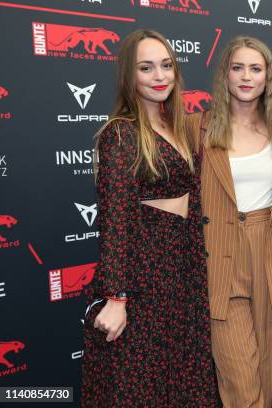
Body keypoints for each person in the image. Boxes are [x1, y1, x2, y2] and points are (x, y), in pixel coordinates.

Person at [82, 29, 216, 407]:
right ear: (130, 75)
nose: (160, 76)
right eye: (146, 67)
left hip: (183, 272)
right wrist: (116, 296)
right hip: (143, 279)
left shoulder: (179, 126)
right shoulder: (120, 134)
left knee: (182, 383)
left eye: (166, 65)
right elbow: (114, 220)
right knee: (138, 387)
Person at [199, 36, 272, 408]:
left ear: (267, 77)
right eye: (237, 67)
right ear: (224, 75)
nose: (246, 76)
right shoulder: (198, 128)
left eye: (255, 68)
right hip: (220, 257)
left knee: (266, 379)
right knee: (241, 384)